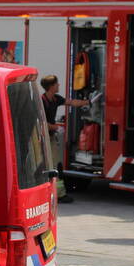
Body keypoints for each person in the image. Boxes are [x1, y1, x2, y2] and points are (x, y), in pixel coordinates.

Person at [41, 74, 89, 203]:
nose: (59, 86)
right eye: (57, 84)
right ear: (51, 86)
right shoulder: (42, 102)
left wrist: (87, 102)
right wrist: (56, 127)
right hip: (44, 139)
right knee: (53, 166)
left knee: (55, 165)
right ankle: (59, 195)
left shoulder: (55, 99)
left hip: (50, 138)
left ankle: (55, 193)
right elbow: (41, 124)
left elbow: (71, 102)